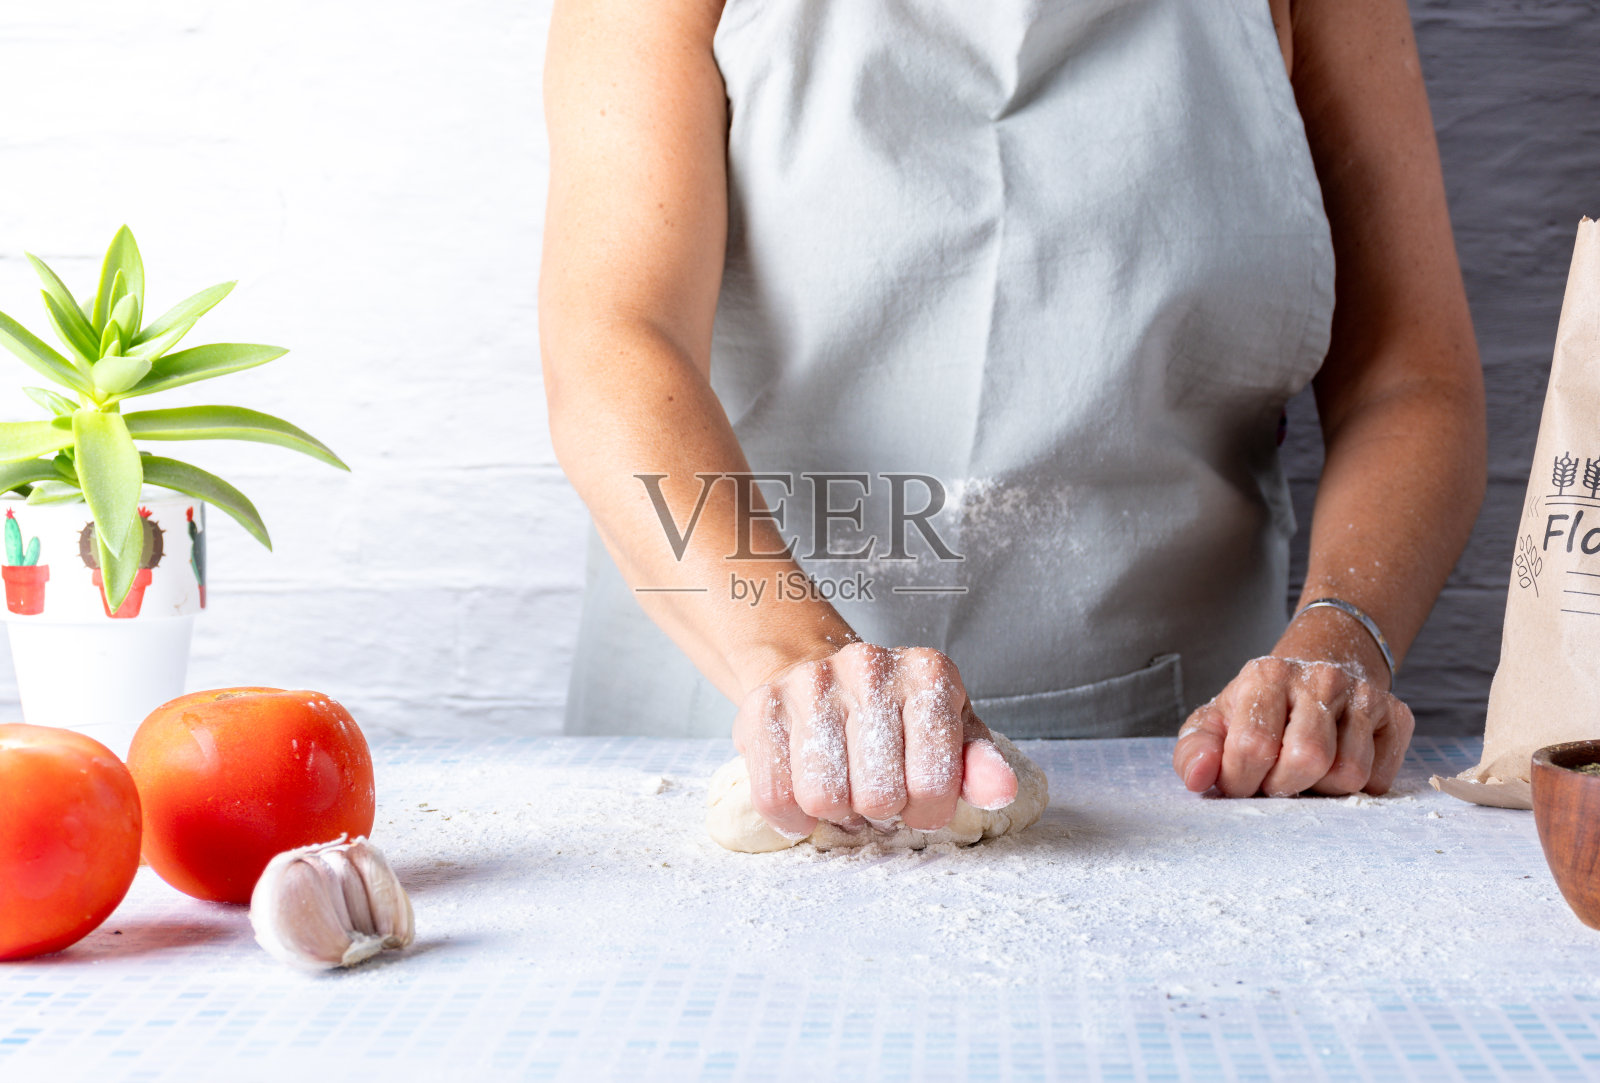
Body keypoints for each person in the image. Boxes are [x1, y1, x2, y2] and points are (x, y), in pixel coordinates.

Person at [539, 0, 1486, 834]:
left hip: (1194, 778)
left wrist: (1342, 634)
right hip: (733, 717)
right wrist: (801, 665)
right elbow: (614, 342)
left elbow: (1409, 378)